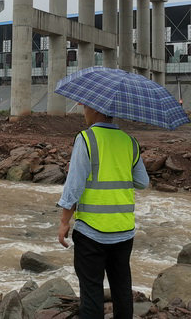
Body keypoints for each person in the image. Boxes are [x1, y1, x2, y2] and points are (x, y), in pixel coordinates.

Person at [57, 103, 149, 319]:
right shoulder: (130, 142)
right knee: (122, 289)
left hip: (91, 231)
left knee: (91, 293)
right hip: (123, 230)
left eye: (85, 108)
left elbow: (74, 186)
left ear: (96, 109)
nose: (84, 112)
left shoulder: (86, 139)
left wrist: (64, 222)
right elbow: (142, 182)